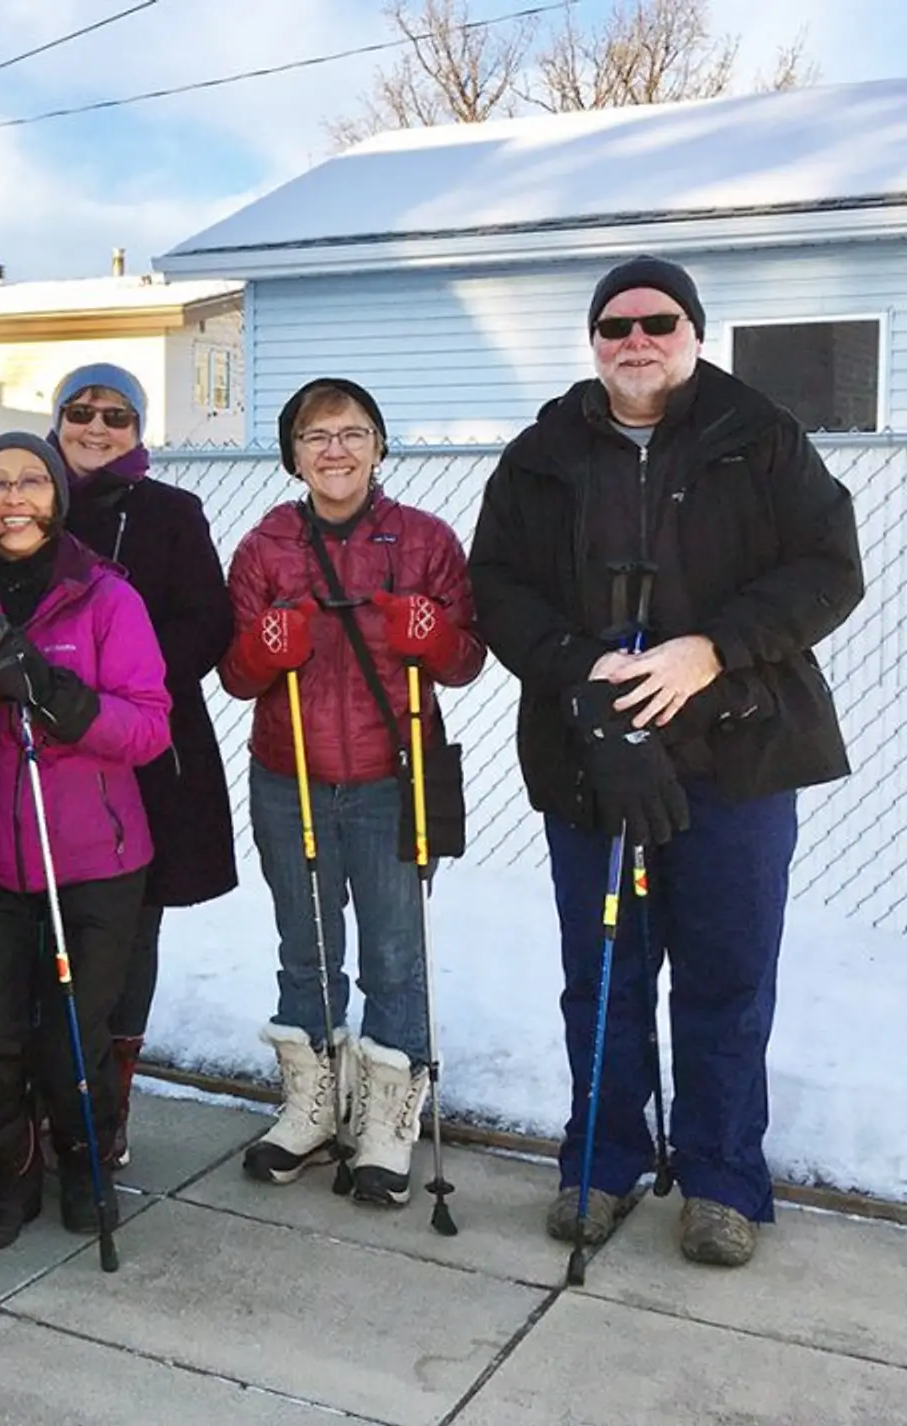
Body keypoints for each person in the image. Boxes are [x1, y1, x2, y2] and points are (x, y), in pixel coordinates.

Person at [469, 256, 863, 1266]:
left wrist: (709, 647)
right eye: (613, 324)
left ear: (691, 331)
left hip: (733, 749)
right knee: (600, 971)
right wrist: (582, 663)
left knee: (726, 975)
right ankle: (598, 1161)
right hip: (589, 752)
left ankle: (720, 1178)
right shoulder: (540, 453)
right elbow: (498, 588)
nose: (633, 339)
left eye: (656, 320)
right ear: (592, 339)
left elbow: (827, 569)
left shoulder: (758, 437)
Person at [220, 377, 485, 1207]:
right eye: (315, 435)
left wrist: (433, 634)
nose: (334, 449)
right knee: (307, 950)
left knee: (394, 958)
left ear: (378, 444)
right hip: (288, 774)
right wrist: (267, 652)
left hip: (387, 777)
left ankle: (383, 1122)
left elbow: (468, 659)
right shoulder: (265, 547)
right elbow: (232, 673)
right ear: (292, 455)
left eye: (351, 432)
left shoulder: (425, 540)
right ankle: (310, 1108)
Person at [0, 432, 171, 1250]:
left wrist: (55, 693)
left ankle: (83, 1155)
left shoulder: (106, 598)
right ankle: (7, 1166)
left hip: (94, 859)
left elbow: (149, 728)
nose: (13, 498)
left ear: (56, 496)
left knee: (73, 1037)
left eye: (30, 482)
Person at [47, 361, 239, 1166]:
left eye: (117, 416)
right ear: (55, 419)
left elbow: (208, 621)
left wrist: (118, 687)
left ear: (140, 429)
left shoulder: (170, 513)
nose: (97, 428)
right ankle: (40, 1091)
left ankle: (108, 1095)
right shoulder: (20, 496)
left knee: (129, 928)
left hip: (146, 753)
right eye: (82, 411)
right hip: (40, 756)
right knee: (38, 922)